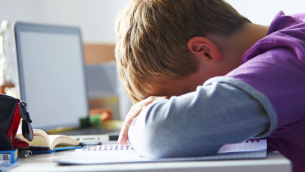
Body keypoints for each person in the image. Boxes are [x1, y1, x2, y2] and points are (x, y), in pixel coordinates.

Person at [114, 0, 305, 172]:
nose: (189, 106)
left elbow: (160, 133)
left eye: (186, 98)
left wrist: (136, 123)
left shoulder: (288, 62)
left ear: (204, 51)